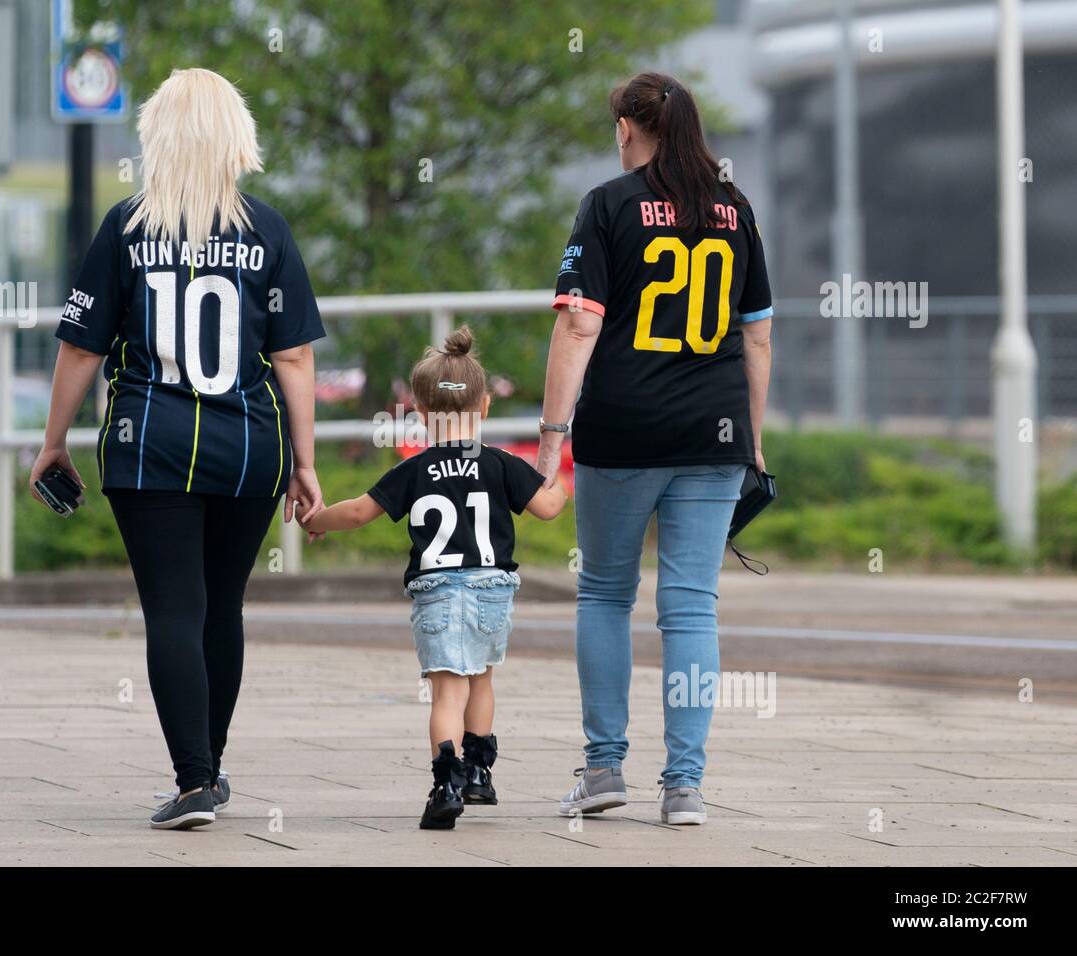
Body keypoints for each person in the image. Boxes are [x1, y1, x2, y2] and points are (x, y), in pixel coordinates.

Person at [29, 69, 325, 830]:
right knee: (221, 607)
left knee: (173, 607)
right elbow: (293, 359)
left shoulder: (126, 228)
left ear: (157, 138)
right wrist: (306, 462)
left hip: (148, 445)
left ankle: (193, 780)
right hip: (252, 447)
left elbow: (81, 347)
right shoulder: (269, 231)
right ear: (236, 139)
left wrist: (53, 441)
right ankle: (212, 771)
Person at [535, 71, 774, 825]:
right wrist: (753, 444)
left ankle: (604, 769)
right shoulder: (734, 209)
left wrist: (550, 438)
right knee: (692, 608)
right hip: (715, 431)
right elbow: (758, 335)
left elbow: (578, 326)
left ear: (628, 129)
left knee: (606, 593)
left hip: (623, 429)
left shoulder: (607, 205)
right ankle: (684, 787)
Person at [301, 327, 566, 829]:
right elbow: (549, 508)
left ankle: (446, 783)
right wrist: (559, 488)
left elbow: (358, 512)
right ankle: (480, 775)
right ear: (485, 407)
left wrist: (317, 520)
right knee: (482, 678)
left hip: (439, 592)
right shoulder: (501, 465)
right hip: (492, 590)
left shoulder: (414, 469)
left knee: (447, 693)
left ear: (420, 412)